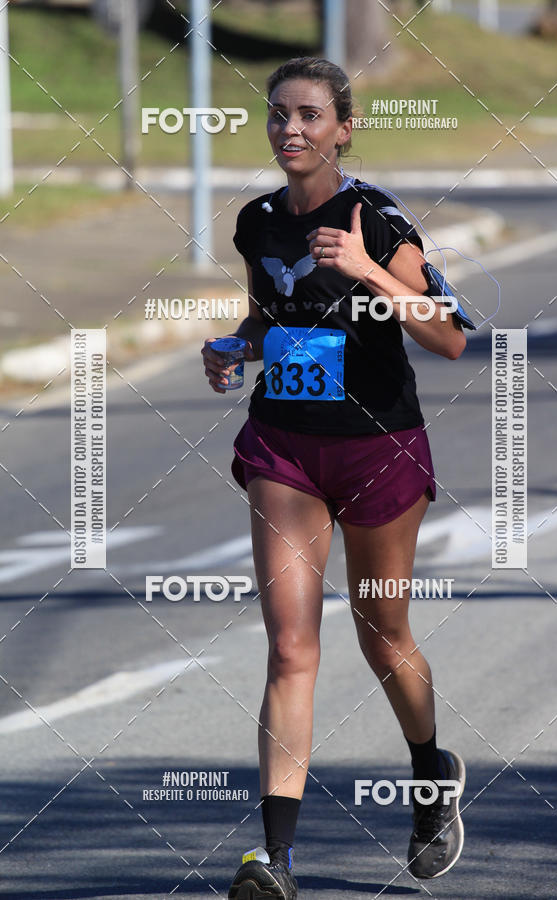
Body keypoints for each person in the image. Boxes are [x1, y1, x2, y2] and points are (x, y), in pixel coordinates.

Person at [202, 56, 468, 900]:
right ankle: (274, 861)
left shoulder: (381, 221)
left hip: (378, 448)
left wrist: (369, 270)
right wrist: (236, 347)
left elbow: (452, 336)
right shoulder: (256, 222)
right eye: (279, 114)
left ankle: (431, 774)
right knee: (289, 646)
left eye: (311, 115)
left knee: (381, 633)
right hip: (284, 448)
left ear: (343, 128)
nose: (291, 130)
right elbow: (273, 313)